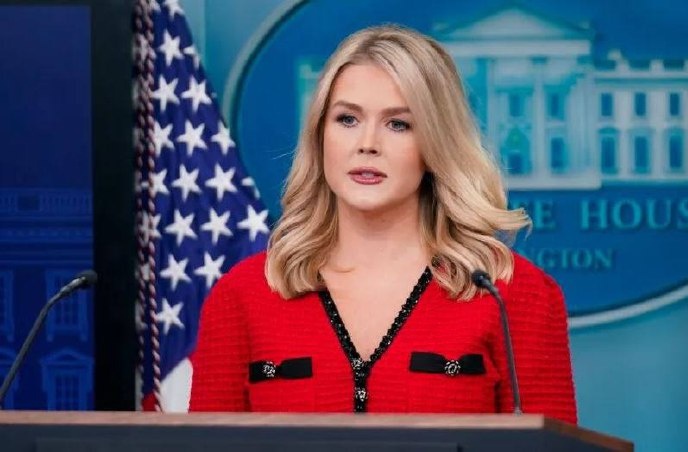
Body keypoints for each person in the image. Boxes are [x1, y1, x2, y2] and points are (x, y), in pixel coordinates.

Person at [189, 24, 577, 423]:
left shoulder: (514, 294)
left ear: (436, 144)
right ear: (319, 136)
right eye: (347, 119)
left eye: (398, 124)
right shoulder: (242, 296)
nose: (368, 144)